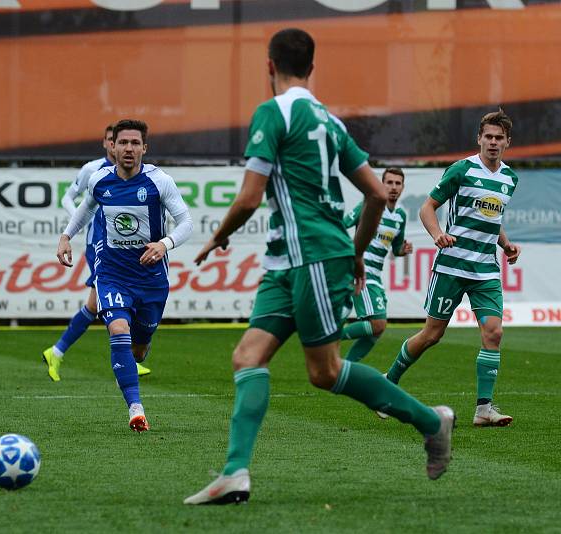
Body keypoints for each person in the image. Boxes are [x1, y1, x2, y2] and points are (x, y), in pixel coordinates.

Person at [184, 28, 455, 505]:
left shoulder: (272, 113)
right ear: (313, 67)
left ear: (269, 66)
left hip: (312, 254)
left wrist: (219, 236)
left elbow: (249, 196)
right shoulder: (331, 122)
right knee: (248, 356)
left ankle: (432, 422)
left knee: (325, 371)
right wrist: (356, 252)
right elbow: (374, 192)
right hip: (287, 260)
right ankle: (234, 473)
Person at [383, 109, 520, 427]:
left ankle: (484, 408)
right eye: (488, 136)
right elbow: (427, 207)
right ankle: (388, 384)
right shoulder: (462, 169)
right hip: (452, 267)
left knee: (494, 332)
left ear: (507, 142)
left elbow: (491, 220)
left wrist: (506, 244)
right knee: (432, 334)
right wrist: (437, 234)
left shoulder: (509, 179)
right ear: (479, 138)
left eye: (499, 138)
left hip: (485, 271)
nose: (493, 142)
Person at [56, 119, 193, 432]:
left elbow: (186, 222)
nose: (129, 148)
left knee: (138, 350)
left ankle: (138, 353)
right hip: (112, 274)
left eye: (135, 143)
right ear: (112, 146)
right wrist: (66, 236)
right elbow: (86, 209)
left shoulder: (159, 181)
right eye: (123, 143)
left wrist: (164, 243)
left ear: (144, 148)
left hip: (151, 279)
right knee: (118, 328)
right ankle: (136, 408)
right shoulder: (100, 180)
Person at [41, 125, 152, 381]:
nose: (123, 147)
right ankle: (127, 358)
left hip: (121, 249)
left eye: (130, 142)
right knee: (112, 303)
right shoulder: (93, 170)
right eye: (116, 141)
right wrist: (82, 221)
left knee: (94, 306)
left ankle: (57, 351)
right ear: (107, 143)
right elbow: (68, 198)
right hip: (98, 247)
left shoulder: (137, 173)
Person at [341, 167, 412, 362]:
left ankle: (346, 367)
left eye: (398, 183)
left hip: (375, 275)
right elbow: (341, 224)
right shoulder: (369, 205)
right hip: (360, 273)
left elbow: (396, 248)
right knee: (378, 324)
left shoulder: (400, 216)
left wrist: (402, 250)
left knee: (376, 331)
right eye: (389, 182)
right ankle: (330, 338)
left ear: (403, 187)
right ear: (382, 184)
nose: (393, 187)